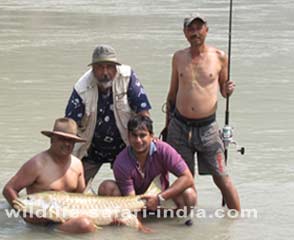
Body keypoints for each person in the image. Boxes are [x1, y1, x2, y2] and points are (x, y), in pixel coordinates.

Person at [165, 13, 240, 211]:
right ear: (185, 33)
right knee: (185, 180)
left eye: (199, 28)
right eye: (191, 29)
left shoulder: (220, 56)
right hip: (179, 126)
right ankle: (188, 223)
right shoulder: (178, 57)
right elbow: (172, 94)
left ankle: (237, 221)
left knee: (222, 177)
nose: (195, 33)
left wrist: (228, 89)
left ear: (206, 30)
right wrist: (167, 126)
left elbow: (224, 91)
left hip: (207, 128)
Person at [65, 44, 151, 184]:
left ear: (116, 67)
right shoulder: (81, 88)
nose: (105, 72)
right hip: (91, 148)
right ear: (92, 69)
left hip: (125, 145)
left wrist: (148, 145)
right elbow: (70, 125)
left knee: (140, 186)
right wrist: (62, 157)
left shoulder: (127, 77)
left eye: (109, 67)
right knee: (71, 186)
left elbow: (144, 114)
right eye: (100, 67)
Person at [2, 117, 96, 233]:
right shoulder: (37, 164)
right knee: (84, 225)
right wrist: (24, 214)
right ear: (52, 139)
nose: (67, 144)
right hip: (44, 223)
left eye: (70, 141)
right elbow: (9, 189)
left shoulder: (77, 164)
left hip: (67, 217)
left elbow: (82, 197)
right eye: (62, 139)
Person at [98, 115, 197, 213]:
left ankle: (176, 223)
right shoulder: (121, 162)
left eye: (142, 135)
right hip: (136, 202)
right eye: (134, 135)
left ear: (151, 135)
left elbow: (188, 178)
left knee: (189, 194)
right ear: (128, 136)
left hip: (161, 199)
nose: (138, 140)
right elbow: (131, 200)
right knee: (106, 187)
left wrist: (160, 198)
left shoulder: (164, 150)